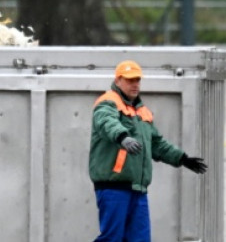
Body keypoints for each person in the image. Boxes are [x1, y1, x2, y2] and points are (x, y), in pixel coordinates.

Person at [88, 60, 207, 242]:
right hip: (114, 187)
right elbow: (106, 122)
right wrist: (123, 137)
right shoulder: (108, 102)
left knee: (141, 239)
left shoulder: (141, 111)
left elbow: (157, 144)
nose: (135, 84)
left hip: (138, 188)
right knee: (112, 238)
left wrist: (182, 159)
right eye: (130, 80)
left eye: (137, 80)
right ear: (118, 80)